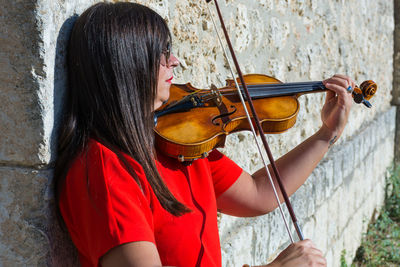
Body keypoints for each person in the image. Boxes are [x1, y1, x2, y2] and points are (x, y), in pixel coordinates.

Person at [54, 2, 355, 267]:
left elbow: (258, 193)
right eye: (161, 54)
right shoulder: (104, 170)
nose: (174, 62)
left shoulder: (176, 142)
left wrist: (326, 133)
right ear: (126, 65)